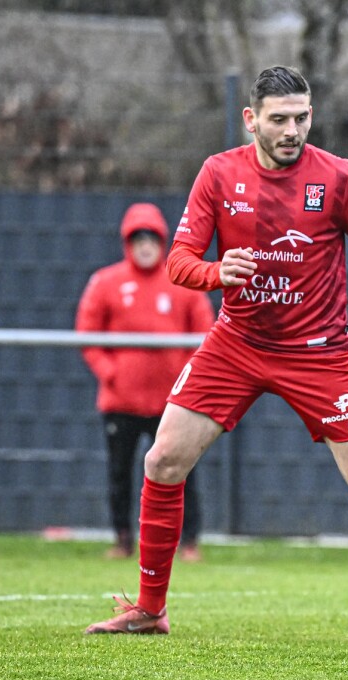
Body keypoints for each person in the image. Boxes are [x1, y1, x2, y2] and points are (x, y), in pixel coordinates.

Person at [84, 65, 348, 641]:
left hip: (318, 353)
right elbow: (179, 261)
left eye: (301, 117)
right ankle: (150, 608)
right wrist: (218, 272)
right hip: (236, 344)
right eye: (279, 119)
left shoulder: (339, 178)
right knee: (162, 462)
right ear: (251, 120)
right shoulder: (218, 174)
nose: (292, 129)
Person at [75, 203, 214, 562]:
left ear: (162, 240)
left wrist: (185, 383)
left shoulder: (183, 281)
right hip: (120, 402)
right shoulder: (106, 282)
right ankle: (122, 539)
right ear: (127, 243)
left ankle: (190, 542)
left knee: (181, 472)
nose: (145, 245)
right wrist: (111, 374)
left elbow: (205, 333)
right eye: (137, 238)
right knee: (119, 473)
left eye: (151, 237)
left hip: (172, 404)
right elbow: (88, 334)